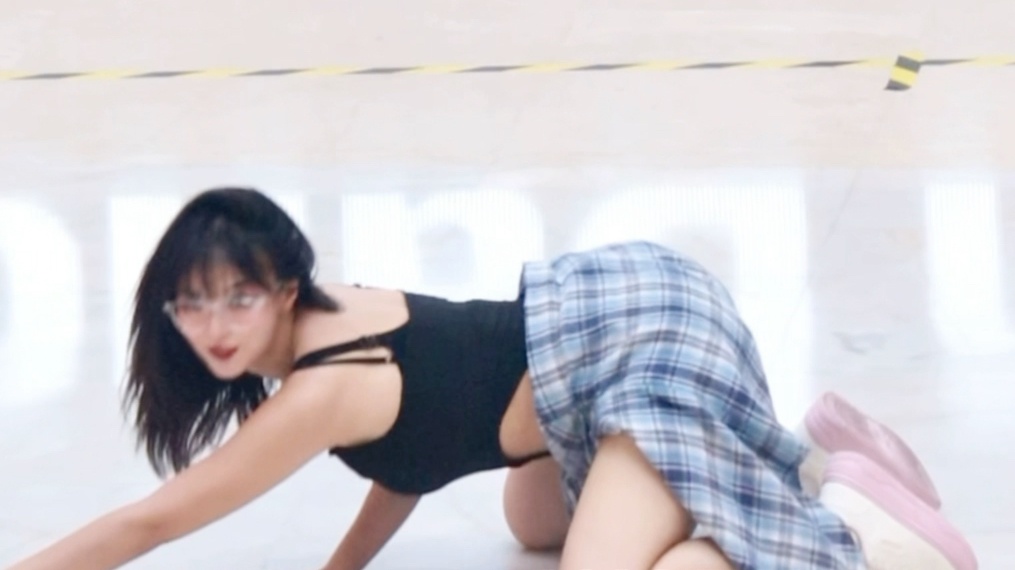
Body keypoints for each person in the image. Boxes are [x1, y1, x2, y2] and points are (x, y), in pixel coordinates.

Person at [7, 187, 977, 570]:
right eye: (191, 305)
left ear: (285, 289)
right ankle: (774, 470)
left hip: (640, 339)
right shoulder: (327, 330)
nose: (215, 327)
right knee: (532, 525)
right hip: (580, 364)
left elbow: (152, 523)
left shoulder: (318, 387)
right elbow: (413, 448)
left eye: (238, 298)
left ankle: (855, 513)